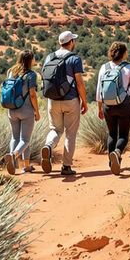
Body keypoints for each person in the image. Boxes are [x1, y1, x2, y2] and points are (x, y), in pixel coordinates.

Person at [39, 30, 89, 177]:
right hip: (70, 99)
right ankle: (66, 166)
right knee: (70, 134)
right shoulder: (75, 59)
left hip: (52, 100)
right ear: (71, 42)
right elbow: (79, 83)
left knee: (55, 129)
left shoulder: (49, 57)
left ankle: (48, 146)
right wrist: (84, 102)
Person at [96, 41, 130, 175]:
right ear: (123, 53)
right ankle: (117, 152)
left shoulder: (104, 67)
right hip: (124, 105)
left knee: (112, 133)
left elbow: (99, 90)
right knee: (123, 134)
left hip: (108, 106)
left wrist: (99, 108)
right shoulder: (129, 68)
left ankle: (112, 162)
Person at [0, 50, 40, 176]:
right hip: (26, 110)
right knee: (25, 139)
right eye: (34, 58)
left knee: (15, 138)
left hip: (11, 110)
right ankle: (12, 156)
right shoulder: (31, 75)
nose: (35, 60)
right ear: (30, 60)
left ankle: (25, 166)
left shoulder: (11, 71)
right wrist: (37, 111)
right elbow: (32, 94)